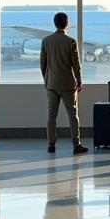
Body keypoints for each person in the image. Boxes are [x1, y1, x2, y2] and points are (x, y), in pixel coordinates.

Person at [39, 13, 88, 155]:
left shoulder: (46, 41)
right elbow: (76, 64)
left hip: (51, 84)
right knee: (73, 114)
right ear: (67, 24)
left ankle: (51, 144)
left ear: (55, 24)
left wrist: (47, 78)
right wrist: (79, 80)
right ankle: (76, 144)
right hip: (67, 83)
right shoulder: (71, 41)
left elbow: (43, 63)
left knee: (51, 115)